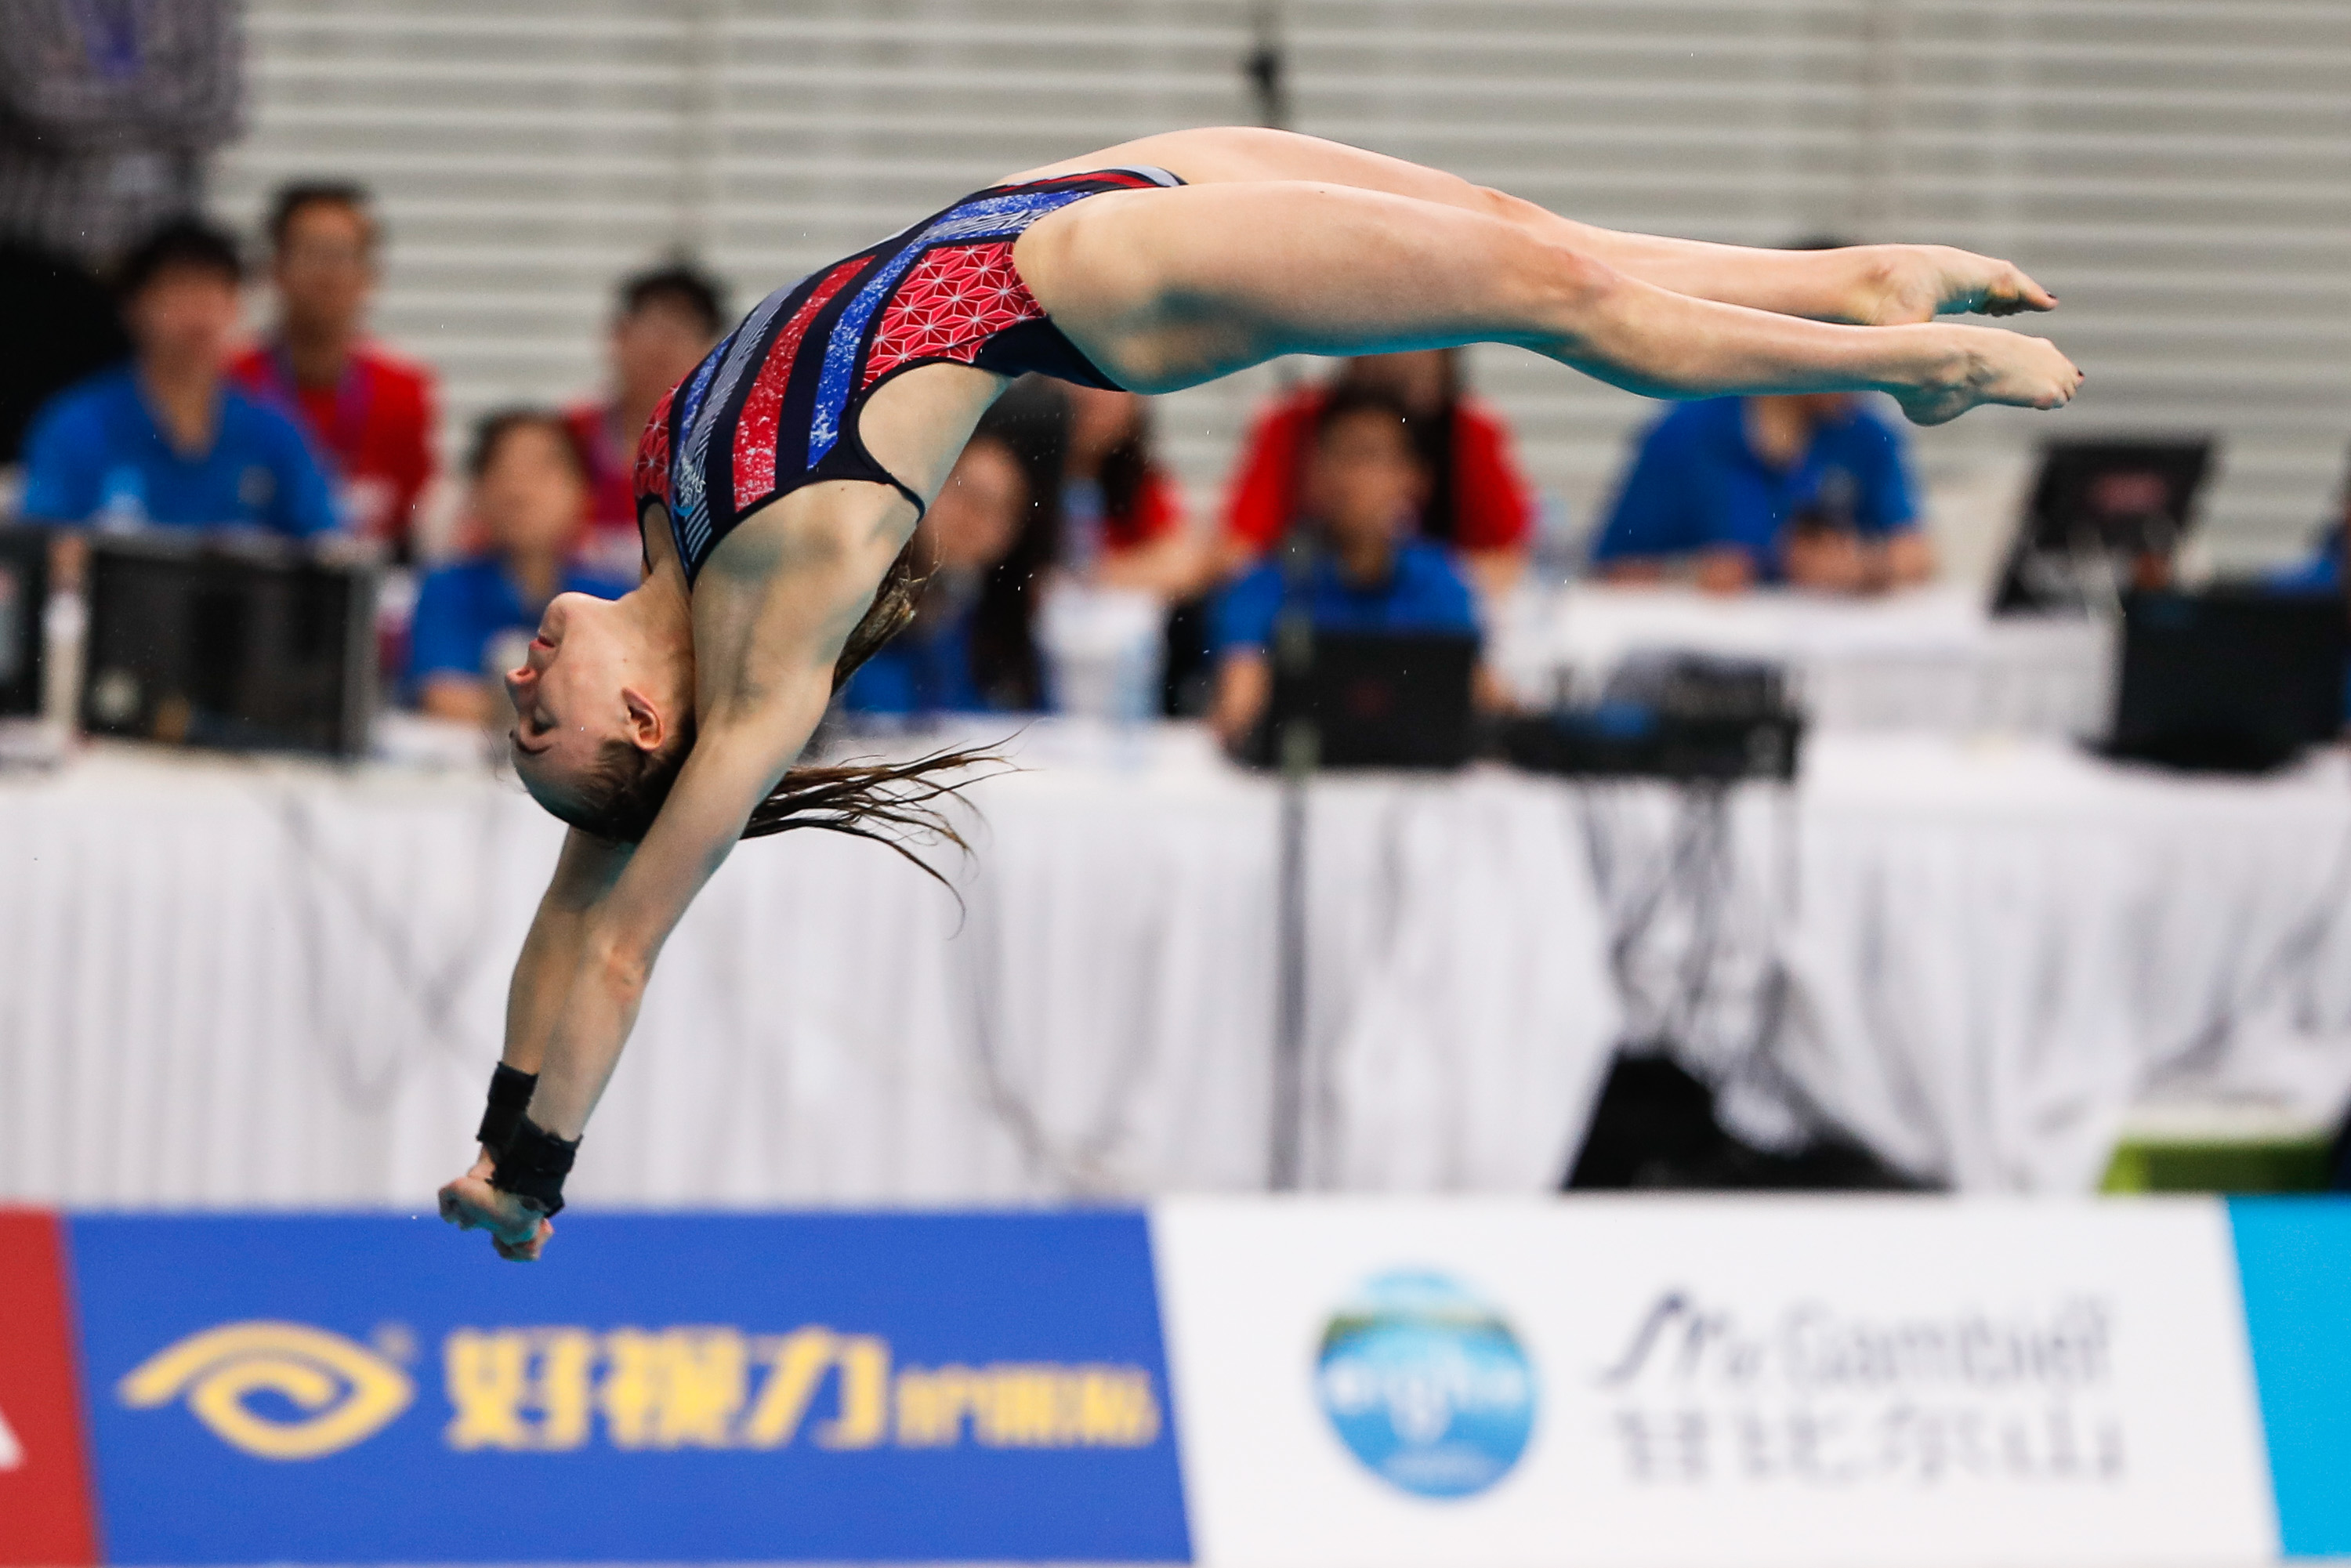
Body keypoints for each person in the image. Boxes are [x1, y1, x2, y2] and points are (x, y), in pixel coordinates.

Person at [437, 125, 2079, 1259]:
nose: (523, 680)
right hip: (1102, 281)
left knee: (1517, 233)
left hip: (1067, 199)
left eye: (519, 713)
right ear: (647, 732)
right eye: (542, 724)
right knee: (1548, 299)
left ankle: (1850, 279)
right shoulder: (766, 629)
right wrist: (538, 1166)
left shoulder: (662, 513)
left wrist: (504, 1117)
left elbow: (571, 917)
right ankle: (1900, 363)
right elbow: (628, 935)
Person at [19, 217, 336, 538]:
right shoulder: (77, 425)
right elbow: (41, 541)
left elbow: (327, 545)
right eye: (179, 290)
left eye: (213, 290)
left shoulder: (273, 433)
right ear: (134, 307)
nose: (198, 314)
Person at [1209, 386, 1482, 750]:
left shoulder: (1441, 582)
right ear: (1313, 474)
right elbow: (1238, 705)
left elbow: (1478, 696)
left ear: (1414, 478)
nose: (1350, 477)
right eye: (1337, 456)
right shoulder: (1266, 583)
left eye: (1370, 456)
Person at [1221, 349, 1535, 596]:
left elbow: (1507, 566)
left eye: (1376, 457)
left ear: (1416, 478)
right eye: (1349, 454)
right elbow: (1238, 553)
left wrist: (1412, 578)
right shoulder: (1295, 423)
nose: (1360, 478)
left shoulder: (1469, 432)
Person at [230, 181, 438, 554]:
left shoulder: (404, 392)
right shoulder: (231, 384)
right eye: (311, 254)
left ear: (370, 276)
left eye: (342, 255)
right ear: (275, 269)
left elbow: (411, 527)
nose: (327, 274)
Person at [408, 409, 632, 726]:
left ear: (583, 491)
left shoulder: (615, 600)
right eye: (503, 469)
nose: (520, 490)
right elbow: (442, 697)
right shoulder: (445, 589)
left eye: (543, 470)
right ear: (477, 491)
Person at [1589, 389, 1933, 593]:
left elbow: (1918, 553)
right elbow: (1611, 568)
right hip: (1709, 668)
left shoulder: (1865, 433)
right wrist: (1691, 574)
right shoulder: (1683, 433)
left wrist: (1863, 567)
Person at [837, 425, 1050, 715]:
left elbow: (1038, 729)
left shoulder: (1011, 634)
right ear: (926, 488)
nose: (972, 515)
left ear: (1014, 531)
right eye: (963, 490)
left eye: (995, 506)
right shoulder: (857, 600)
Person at [566, 263, 729, 575]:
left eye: (682, 332)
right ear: (618, 336)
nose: (663, 347)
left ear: (711, 352)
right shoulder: (568, 437)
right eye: (653, 328)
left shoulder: (721, 454)